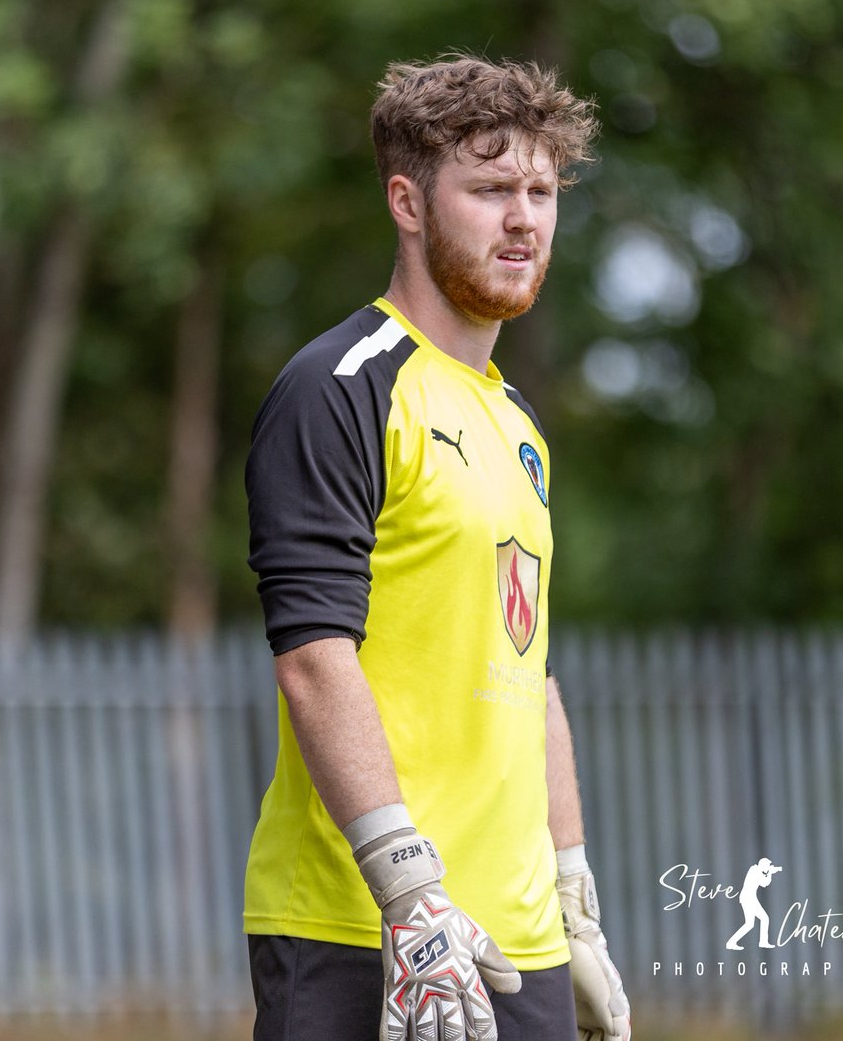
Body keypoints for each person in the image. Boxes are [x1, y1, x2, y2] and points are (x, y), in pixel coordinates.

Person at [243, 54, 631, 1041]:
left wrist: (572, 894)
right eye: (492, 189)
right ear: (408, 203)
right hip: (370, 929)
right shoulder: (340, 384)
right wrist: (409, 894)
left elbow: (527, 668)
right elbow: (313, 657)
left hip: (520, 944)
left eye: (541, 192)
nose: (524, 220)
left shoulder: (521, 426)